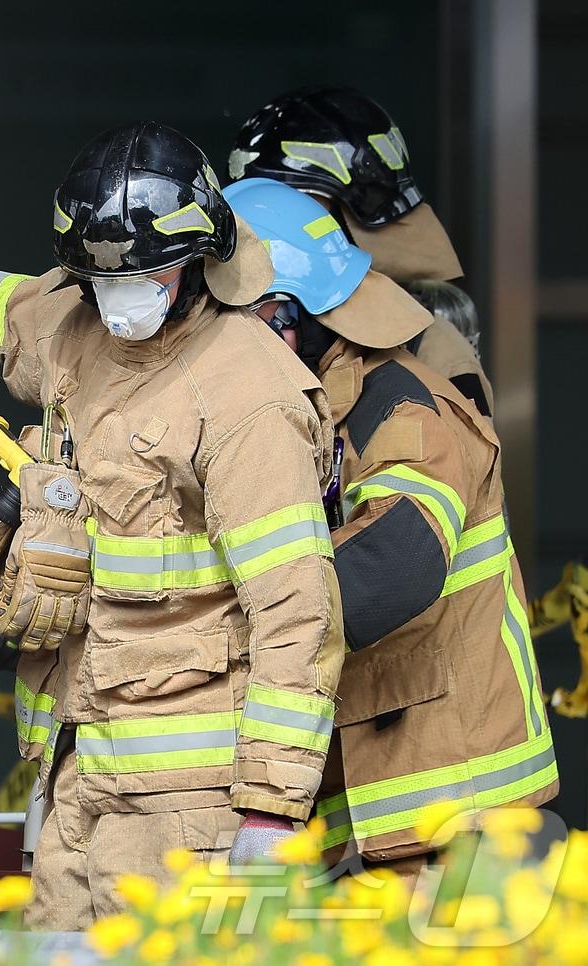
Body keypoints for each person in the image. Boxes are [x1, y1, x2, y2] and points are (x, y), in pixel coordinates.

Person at [0, 122, 345, 928]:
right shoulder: (80, 321)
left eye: (143, 275)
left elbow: (297, 612)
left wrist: (273, 808)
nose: (118, 298)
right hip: (78, 772)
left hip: (192, 807)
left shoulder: (248, 396)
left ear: (201, 258)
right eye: (98, 279)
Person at [224, 177, 557, 875]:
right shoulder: (319, 413)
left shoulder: (403, 411)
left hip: (457, 818)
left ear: (286, 314)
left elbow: (392, 565)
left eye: (233, 324)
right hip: (383, 819)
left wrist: (203, 623)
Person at [229, 85, 495, 418]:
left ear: (357, 211)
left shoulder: (428, 345)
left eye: (300, 204)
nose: (275, 221)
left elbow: (462, 464)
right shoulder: (229, 317)